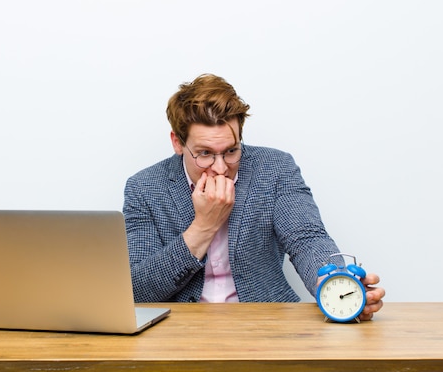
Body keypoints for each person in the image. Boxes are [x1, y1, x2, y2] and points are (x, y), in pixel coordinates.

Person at [123, 73, 385, 320]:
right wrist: (203, 226)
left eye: (231, 150)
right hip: (178, 332)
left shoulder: (275, 169)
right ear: (178, 143)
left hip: (266, 323)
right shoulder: (144, 188)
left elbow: (306, 238)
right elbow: (139, 290)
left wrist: (335, 285)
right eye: (204, 153)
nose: (220, 167)